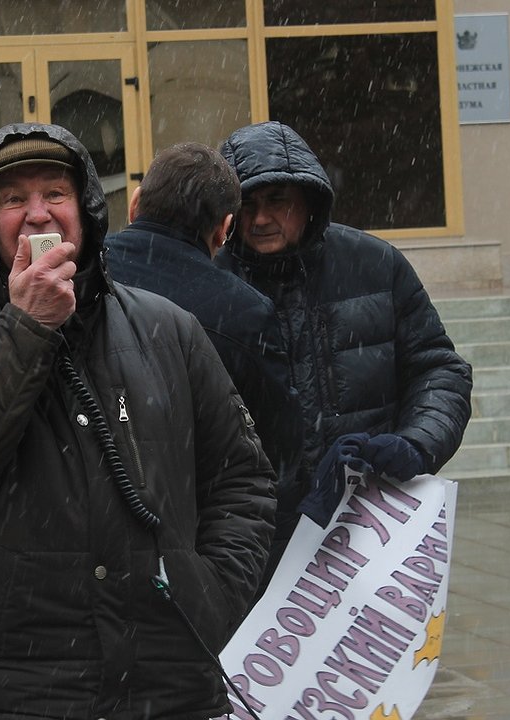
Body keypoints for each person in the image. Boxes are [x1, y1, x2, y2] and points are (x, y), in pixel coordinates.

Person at [0, 123, 276, 718]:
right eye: (13, 200)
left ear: (87, 211)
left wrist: (211, 596)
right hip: (12, 691)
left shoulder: (168, 330)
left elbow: (241, 479)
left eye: (55, 193)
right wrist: (27, 326)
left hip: (166, 686)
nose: (37, 214)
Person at [214, 120, 472, 560]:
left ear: (307, 199)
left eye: (276, 200)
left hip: (370, 525)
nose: (260, 218)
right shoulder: (212, 284)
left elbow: (439, 370)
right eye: (246, 204)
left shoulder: (376, 265)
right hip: (249, 540)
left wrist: (415, 443)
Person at [105, 141, 301, 593]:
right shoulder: (244, 311)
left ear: (135, 204)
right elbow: (277, 443)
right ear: (225, 229)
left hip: (81, 535)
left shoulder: (75, 275)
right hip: (188, 543)